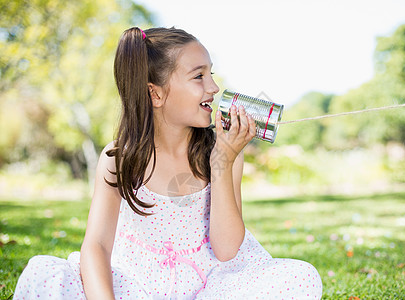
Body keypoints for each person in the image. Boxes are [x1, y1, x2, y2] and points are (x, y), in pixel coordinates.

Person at [14, 27, 322, 299]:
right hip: (136, 287)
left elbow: (228, 250)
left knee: (300, 277)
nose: (213, 88)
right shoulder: (120, 159)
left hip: (210, 287)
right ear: (155, 94)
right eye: (198, 76)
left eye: (211, 74)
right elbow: (96, 247)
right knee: (43, 274)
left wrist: (222, 163)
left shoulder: (223, 153)